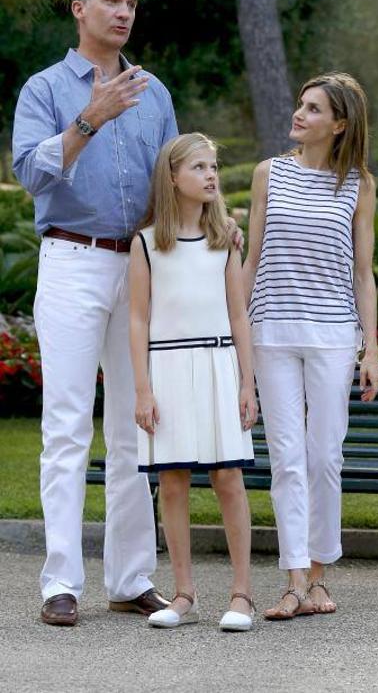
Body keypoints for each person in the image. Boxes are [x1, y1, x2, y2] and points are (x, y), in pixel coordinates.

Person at [12, 0, 177, 626]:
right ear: (79, 8)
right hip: (72, 261)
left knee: (138, 424)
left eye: (132, 0)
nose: (124, 10)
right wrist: (89, 119)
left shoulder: (154, 92)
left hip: (136, 264)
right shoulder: (45, 89)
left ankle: (131, 576)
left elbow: (170, 182)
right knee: (67, 424)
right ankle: (61, 582)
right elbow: (27, 171)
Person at [242, 72, 378, 619]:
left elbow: (363, 273)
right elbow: (252, 260)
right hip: (271, 331)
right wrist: (239, 337)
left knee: (324, 456)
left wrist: (370, 349)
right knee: (286, 459)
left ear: (339, 123)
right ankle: (295, 580)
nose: (299, 115)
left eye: (313, 108)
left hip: (332, 335)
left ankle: (320, 575)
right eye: (301, 105)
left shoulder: (359, 185)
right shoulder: (267, 174)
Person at [130, 133, 257, 631]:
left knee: (228, 477)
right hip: (167, 370)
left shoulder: (223, 239)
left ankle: (241, 594)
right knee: (173, 480)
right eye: (199, 167)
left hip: (218, 366)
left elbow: (239, 316)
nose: (211, 176)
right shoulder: (145, 244)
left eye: (213, 167)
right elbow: (138, 320)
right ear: (172, 177)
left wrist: (247, 384)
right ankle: (183, 593)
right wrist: (143, 389)